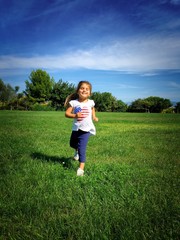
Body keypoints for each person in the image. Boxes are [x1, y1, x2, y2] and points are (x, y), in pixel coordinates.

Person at [64, 81, 98, 176]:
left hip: (86, 130)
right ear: (78, 90)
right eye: (82, 88)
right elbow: (66, 114)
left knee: (82, 148)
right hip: (76, 128)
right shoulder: (73, 103)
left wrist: (94, 117)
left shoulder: (91, 102)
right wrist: (75, 115)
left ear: (90, 93)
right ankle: (76, 151)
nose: (84, 90)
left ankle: (80, 169)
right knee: (72, 144)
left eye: (87, 89)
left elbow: (92, 108)